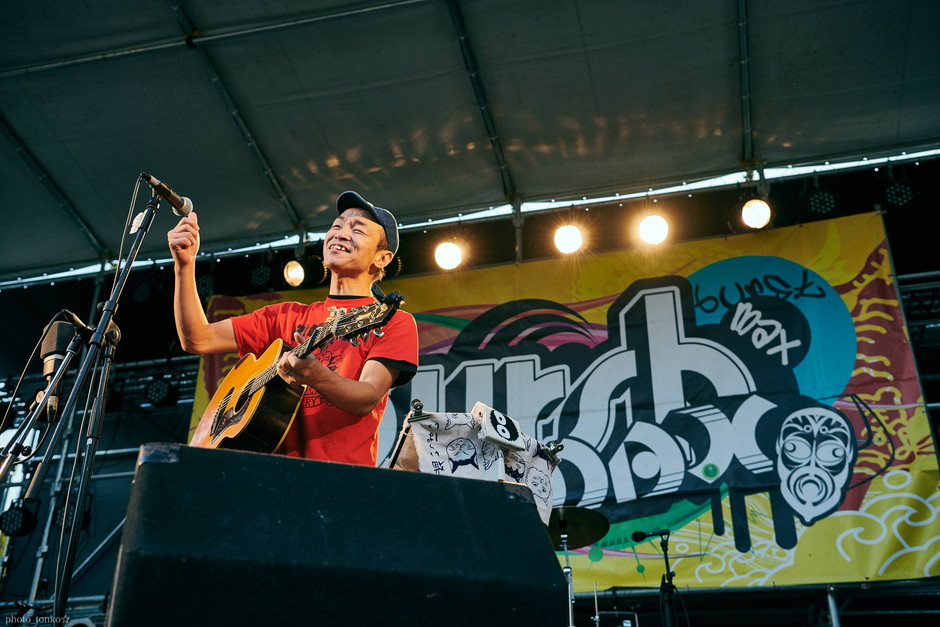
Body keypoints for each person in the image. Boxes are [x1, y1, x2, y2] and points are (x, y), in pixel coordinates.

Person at [167, 191, 418, 467]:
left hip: (339, 478)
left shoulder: (392, 320)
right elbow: (198, 339)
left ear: (382, 258)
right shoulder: (284, 316)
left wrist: (318, 376)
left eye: (357, 230)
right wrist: (184, 265)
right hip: (265, 475)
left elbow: (367, 397)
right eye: (337, 225)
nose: (342, 233)